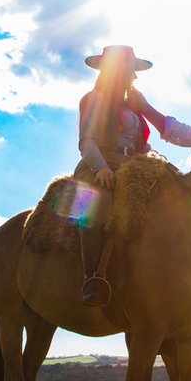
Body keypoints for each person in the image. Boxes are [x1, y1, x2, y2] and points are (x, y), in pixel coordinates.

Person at [74, 45, 153, 307]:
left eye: (131, 72)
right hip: (99, 164)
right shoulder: (93, 99)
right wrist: (102, 169)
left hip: (132, 167)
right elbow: (87, 141)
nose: (130, 77)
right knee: (98, 204)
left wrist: (154, 159)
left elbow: (140, 146)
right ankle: (92, 277)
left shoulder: (133, 108)